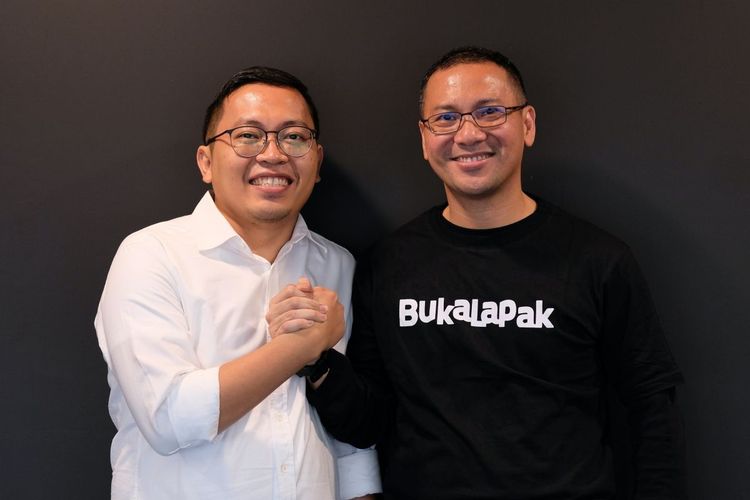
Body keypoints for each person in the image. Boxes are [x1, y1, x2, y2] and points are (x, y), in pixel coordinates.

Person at [285, 47, 686, 498]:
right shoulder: (388, 263)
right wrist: (318, 362)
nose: (469, 134)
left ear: (527, 124)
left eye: (490, 112)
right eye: (446, 118)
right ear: (425, 138)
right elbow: (369, 421)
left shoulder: (598, 259)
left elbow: (652, 410)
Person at [94, 66, 381, 499]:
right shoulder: (151, 255)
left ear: (317, 161)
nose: (274, 154)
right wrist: (298, 348)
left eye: (294, 137)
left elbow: (344, 429)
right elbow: (168, 418)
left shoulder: (337, 263)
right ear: (206, 162)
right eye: (248, 135)